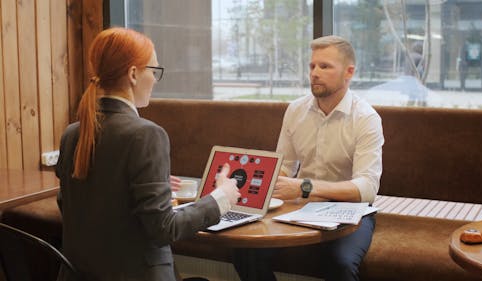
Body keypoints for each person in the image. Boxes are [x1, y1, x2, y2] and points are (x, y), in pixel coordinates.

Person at [55, 27, 240, 281]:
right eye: (153, 71)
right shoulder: (146, 135)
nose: (154, 79)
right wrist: (221, 198)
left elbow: (71, 205)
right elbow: (164, 229)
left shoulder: (72, 133)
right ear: (133, 74)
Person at [233, 35, 384, 281]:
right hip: (300, 206)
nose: (315, 73)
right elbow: (284, 167)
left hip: (350, 210)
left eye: (325, 66)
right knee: (245, 252)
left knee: (341, 264)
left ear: (349, 72)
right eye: (312, 66)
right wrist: (260, 185)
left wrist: (303, 187)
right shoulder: (295, 110)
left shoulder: (366, 118)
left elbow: (367, 189)